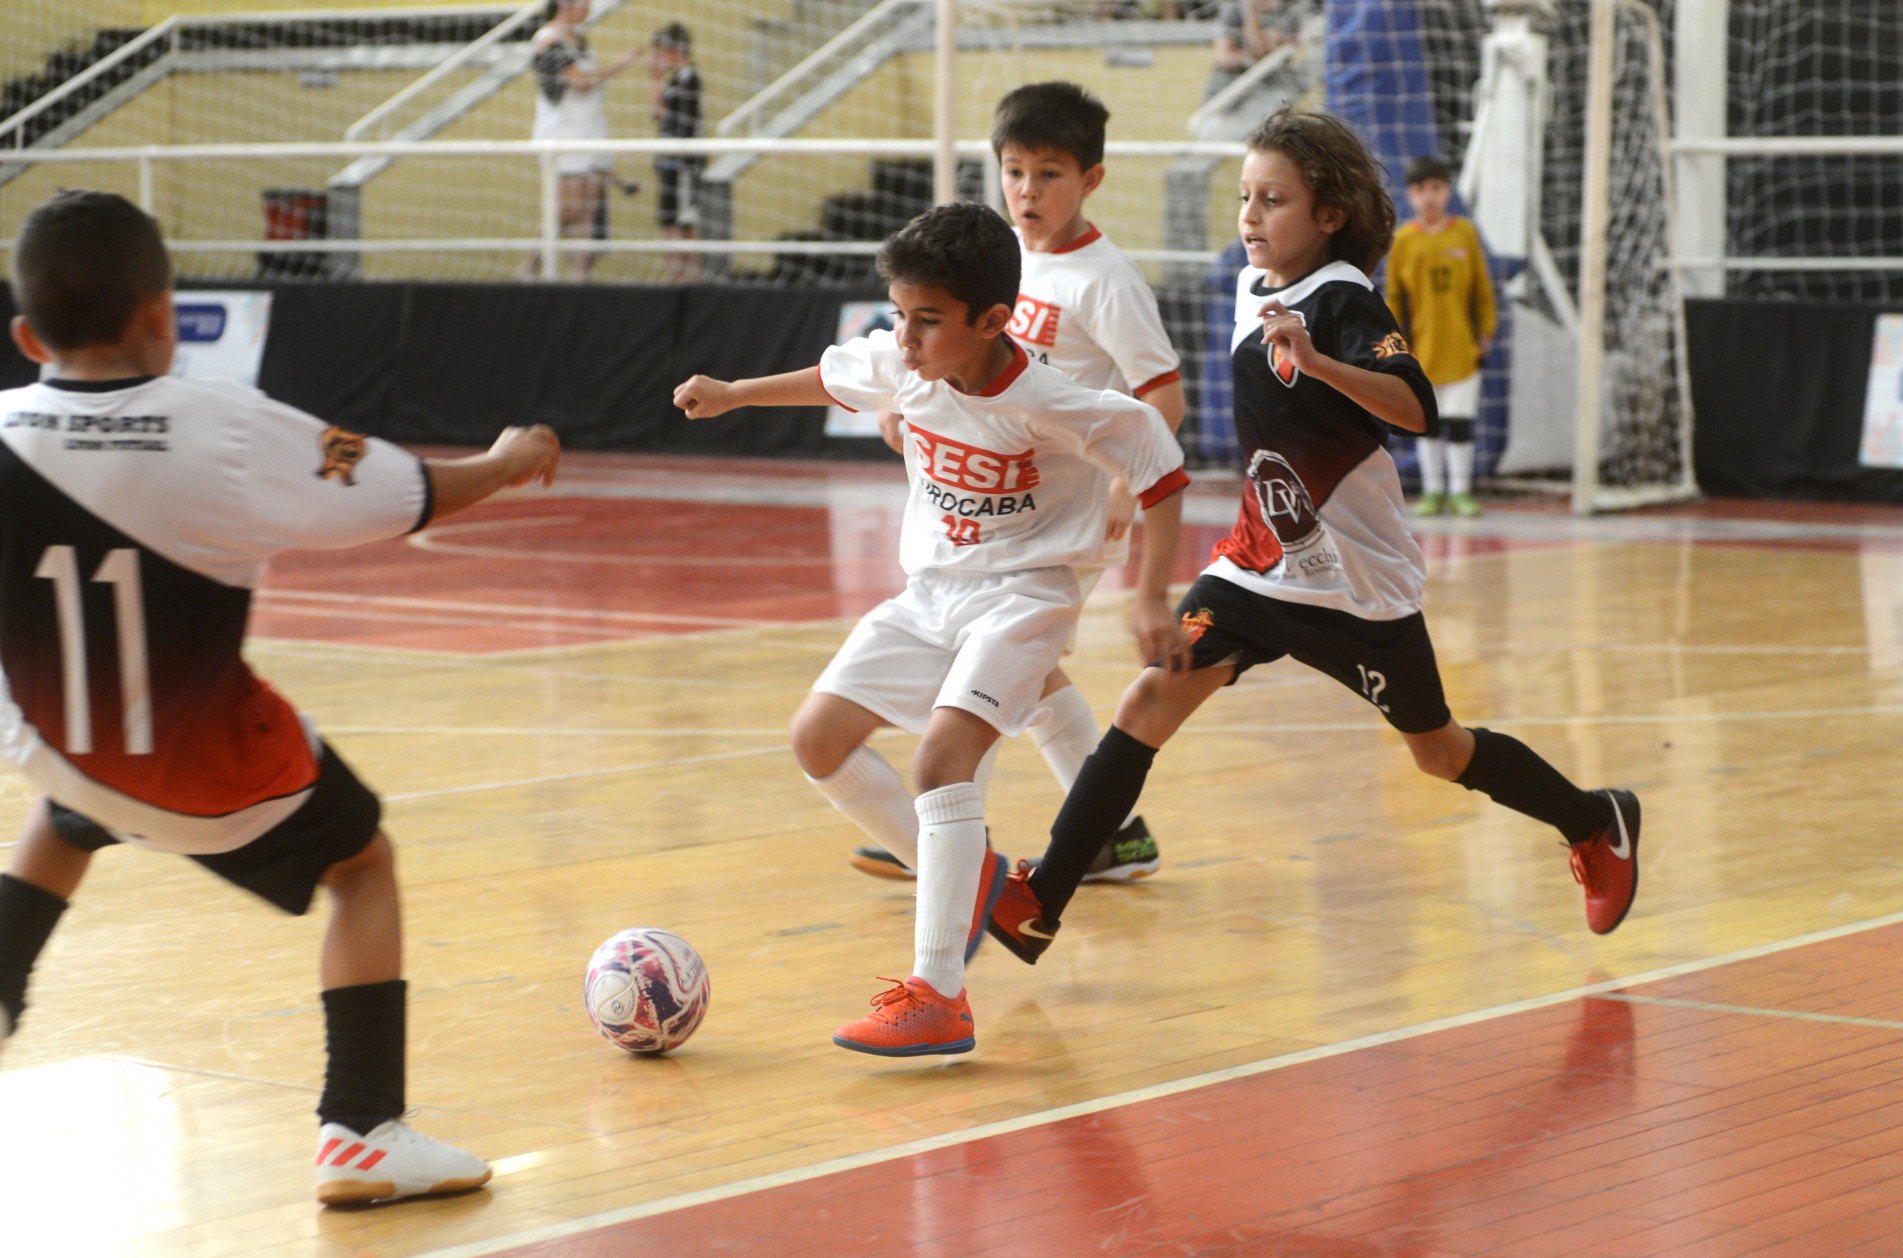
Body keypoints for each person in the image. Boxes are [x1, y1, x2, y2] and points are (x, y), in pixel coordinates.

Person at [0, 190, 562, 1204]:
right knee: (363, 856)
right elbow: (403, 494)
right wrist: (507, 462)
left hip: (52, 741)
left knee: (74, 801)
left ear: (28, 334)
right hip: (207, 772)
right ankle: (361, 1128)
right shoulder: (222, 424)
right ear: (165, 311)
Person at [985, 109, 1641, 969]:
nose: (1250, 217)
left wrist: (1324, 362)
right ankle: (1041, 902)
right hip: (1257, 563)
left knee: (1438, 753)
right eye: (1244, 198)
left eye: (1274, 201)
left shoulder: (1342, 298)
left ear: (1328, 215)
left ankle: (1595, 819)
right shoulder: (1247, 286)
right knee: (1148, 700)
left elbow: (1416, 406)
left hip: (1354, 583)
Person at [673, 202, 1190, 1056]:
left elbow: (1160, 470)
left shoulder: (1054, 399)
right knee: (816, 740)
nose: (905, 338)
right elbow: (833, 375)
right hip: (930, 594)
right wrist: (733, 395)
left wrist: (1148, 598)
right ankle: (973, 877)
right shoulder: (906, 365)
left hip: (1025, 597)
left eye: (927, 321)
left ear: (993, 321)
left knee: (941, 760)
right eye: (899, 315)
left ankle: (938, 992)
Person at [851, 80, 1186, 889]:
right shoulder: (1002, 260)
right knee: (1021, 671)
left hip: (1064, 500)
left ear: (1090, 180)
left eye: (1049, 174)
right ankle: (1105, 833)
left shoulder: (1105, 278)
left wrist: (1121, 495)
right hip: (1003, 499)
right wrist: (909, 411)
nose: (1028, 192)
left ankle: (950, 838)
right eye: (1014, 173)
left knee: (994, 659)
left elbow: (1161, 395)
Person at [1386, 155, 1497, 518]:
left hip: (1462, 349)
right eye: (1420, 190)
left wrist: (1485, 331)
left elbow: (1482, 288)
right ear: (1410, 196)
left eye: (1435, 188)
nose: (1429, 197)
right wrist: (1396, 344)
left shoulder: (1464, 232)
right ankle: (1434, 490)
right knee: (1427, 424)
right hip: (1421, 351)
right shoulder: (1403, 240)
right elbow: (1392, 298)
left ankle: (1461, 491)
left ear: (1447, 190)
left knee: (1460, 422)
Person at [521, 0, 638, 283]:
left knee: (587, 211)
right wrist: (619, 65)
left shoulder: (581, 39)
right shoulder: (548, 39)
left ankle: (580, 278)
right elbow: (578, 80)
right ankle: (530, 266)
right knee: (567, 207)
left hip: (591, 131)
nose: (589, 7)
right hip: (564, 133)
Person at [648, 22, 702, 284]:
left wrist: (654, 81)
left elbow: (663, 114)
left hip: (683, 164)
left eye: (661, 52)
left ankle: (686, 275)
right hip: (671, 162)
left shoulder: (689, 78)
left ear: (676, 50)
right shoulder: (676, 81)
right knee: (671, 219)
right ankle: (679, 274)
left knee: (683, 220)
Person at [1204, 0, 1299, 103]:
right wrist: (1251, 58)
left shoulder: (1290, 10)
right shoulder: (1233, 7)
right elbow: (1225, 57)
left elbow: (1259, 49)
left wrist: (1252, 12)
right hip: (1227, 92)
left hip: (1271, 90)